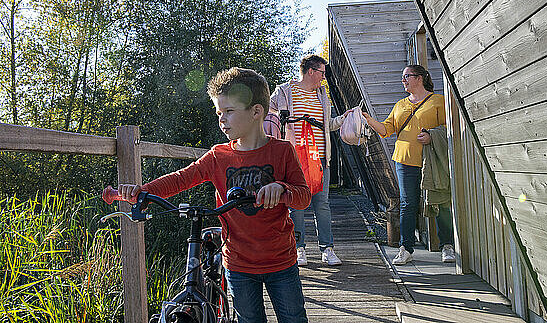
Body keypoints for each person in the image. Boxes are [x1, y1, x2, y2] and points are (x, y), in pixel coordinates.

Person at [114, 67, 311, 323]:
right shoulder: (218, 155)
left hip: (280, 260)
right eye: (219, 112)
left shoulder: (282, 152)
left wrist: (282, 189)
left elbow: (304, 197)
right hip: (238, 263)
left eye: (229, 111)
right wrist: (143, 190)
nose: (222, 119)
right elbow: (181, 178)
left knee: (294, 318)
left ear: (256, 112)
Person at [362, 64, 455, 265]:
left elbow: (449, 128)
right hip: (404, 160)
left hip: (431, 160)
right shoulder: (400, 105)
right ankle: (406, 248)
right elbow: (386, 129)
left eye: (407, 76)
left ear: (419, 78)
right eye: (403, 77)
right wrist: (369, 120)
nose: (403, 80)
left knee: (439, 199)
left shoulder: (438, 101)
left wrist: (432, 135)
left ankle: (447, 246)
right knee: (408, 203)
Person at [270, 54, 345, 266]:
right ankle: (299, 249)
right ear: (311, 71)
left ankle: (327, 249)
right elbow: (267, 111)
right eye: (322, 72)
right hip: (295, 158)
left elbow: (327, 125)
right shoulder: (285, 91)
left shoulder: (322, 95)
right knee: (297, 204)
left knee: (322, 203)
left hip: (320, 158)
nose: (324, 77)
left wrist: (343, 119)